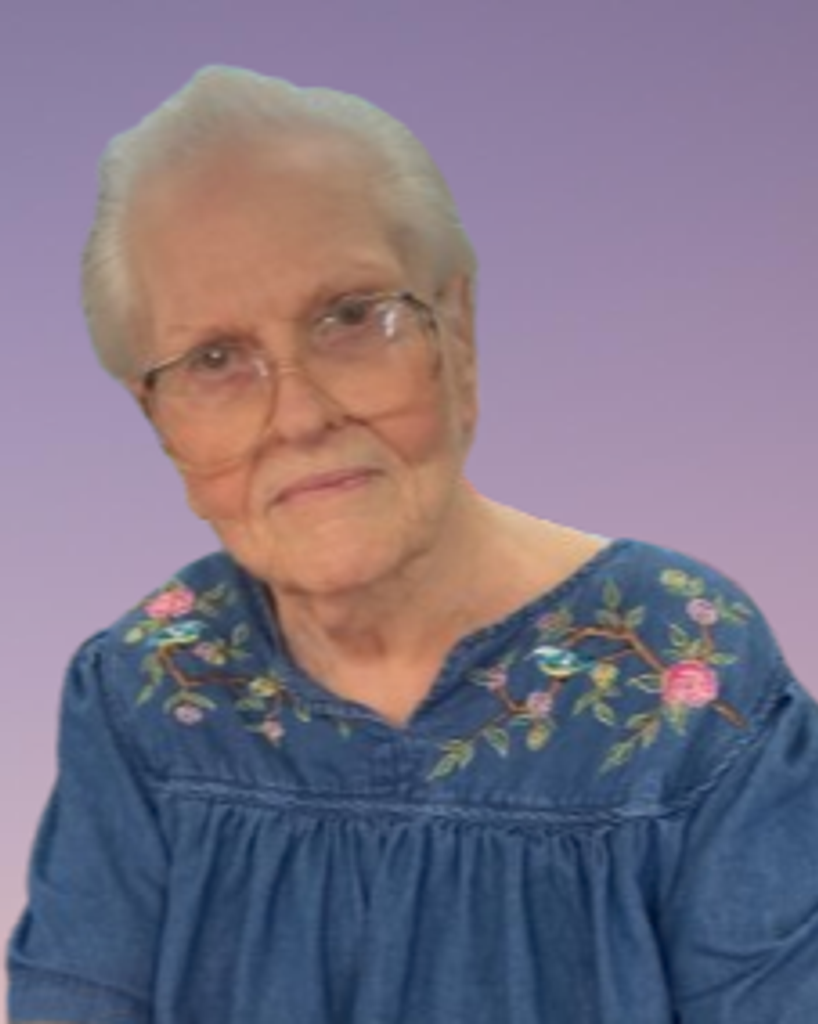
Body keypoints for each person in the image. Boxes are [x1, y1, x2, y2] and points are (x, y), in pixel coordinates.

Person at [7, 65, 818, 1024]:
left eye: (351, 318)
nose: (299, 415)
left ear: (455, 331)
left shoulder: (688, 664)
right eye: (215, 360)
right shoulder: (145, 689)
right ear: (157, 419)